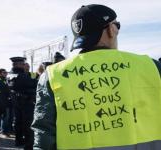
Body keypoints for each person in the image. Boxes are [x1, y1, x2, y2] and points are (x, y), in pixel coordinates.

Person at [32, 4, 161, 150]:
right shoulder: (152, 66)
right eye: (117, 25)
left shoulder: (52, 75)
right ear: (111, 30)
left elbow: (43, 134)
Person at [7, 57, 37, 149]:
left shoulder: (10, 75)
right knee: (28, 125)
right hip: (26, 103)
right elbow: (35, 83)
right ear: (18, 64)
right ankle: (28, 146)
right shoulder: (21, 76)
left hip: (16, 102)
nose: (24, 66)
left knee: (18, 122)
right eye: (23, 64)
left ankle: (18, 140)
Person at [0, 69, 12, 137]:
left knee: (7, 117)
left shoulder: (5, 80)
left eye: (6, 72)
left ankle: (6, 130)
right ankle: (4, 131)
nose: (6, 74)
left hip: (6, 102)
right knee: (5, 117)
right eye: (4, 72)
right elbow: (5, 91)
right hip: (3, 102)